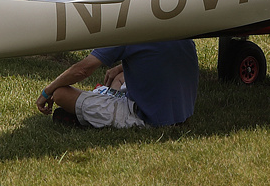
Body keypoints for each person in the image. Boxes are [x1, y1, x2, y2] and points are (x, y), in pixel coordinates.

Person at [37, 39, 200, 128]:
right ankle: (103, 101)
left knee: (61, 94)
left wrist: (48, 90)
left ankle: (87, 118)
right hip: (181, 112)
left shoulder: (128, 30)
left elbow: (83, 70)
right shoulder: (176, 25)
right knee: (119, 76)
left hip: (150, 119)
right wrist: (120, 67)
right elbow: (158, 56)